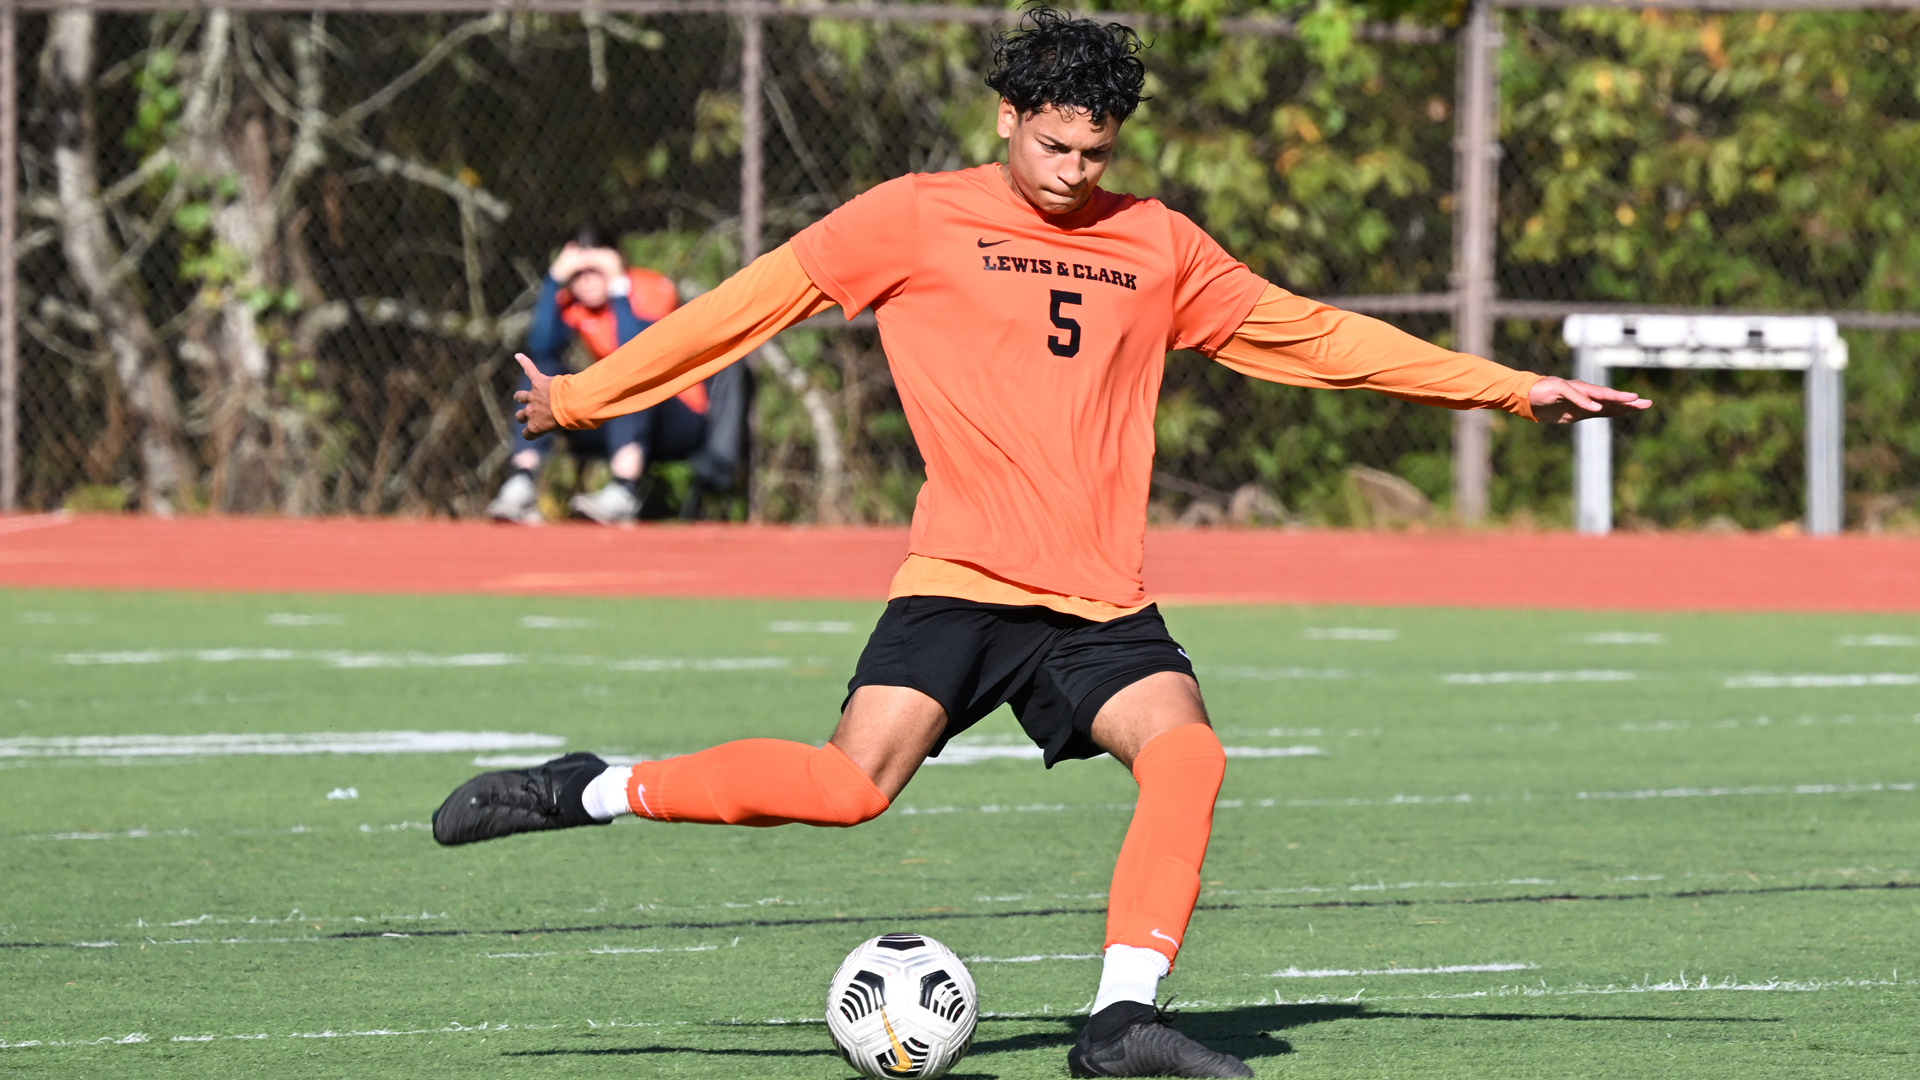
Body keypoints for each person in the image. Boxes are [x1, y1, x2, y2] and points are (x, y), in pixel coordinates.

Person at [435, 9, 1649, 1076]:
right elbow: (750, 302)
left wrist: (1509, 389)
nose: (1072, 172)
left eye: (1095, 153)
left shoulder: (1159, 244)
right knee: (848, 791)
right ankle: (594, 787)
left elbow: (1315, 336)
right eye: (1053, 145)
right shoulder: (915, 216)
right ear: (1008, 118)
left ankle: (1121, 1020)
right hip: (963, 579)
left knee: (1188, 757)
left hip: (1097, 599)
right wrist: (589, 395)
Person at [485, 227, 699, 525]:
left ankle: (624, 491)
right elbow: (540, 346)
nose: (585, 281)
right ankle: (522, 480)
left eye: (595, 271)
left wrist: (618, 288)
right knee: (541, 371)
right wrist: (553, 279)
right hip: (619, 418)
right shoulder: (574, 303)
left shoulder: (651, 287)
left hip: (679, 417)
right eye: (578, 273)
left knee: (630, 372)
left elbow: (638, 351)